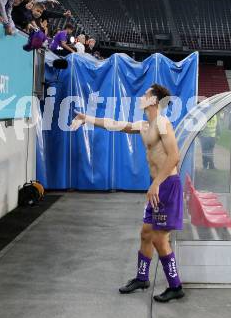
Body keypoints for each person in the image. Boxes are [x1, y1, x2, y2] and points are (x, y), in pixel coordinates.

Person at [72, 84, 185, 303]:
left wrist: (156, 184)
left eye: (146, 94)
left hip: (167, 185)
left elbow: (174, 157)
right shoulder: (145, 125)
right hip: (157, 185)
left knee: (160, 238)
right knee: (145, 233)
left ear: (154, 100)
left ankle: (175, 286)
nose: (142, 97)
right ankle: (142, 278)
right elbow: (116, 125)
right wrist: (86, 117)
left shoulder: (162, 123)